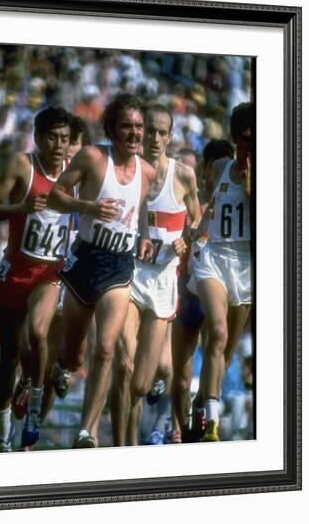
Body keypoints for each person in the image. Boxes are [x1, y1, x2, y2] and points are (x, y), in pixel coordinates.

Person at [47, 93, 156, 448]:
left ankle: (86, 430)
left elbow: (139, 215)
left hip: (120, 265)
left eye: (139, 126)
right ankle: (59, 366)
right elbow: (54, 197)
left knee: (107, 348)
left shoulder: (147, 172)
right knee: (74, 353)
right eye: (127, 126)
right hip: (86, 259)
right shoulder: (93, 157)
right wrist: (89, 206)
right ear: (112, 128)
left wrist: (143, 238)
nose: (135, 133)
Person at [111, 103, 200, 446]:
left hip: (163, 280)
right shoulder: (126, 171)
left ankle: (154, 396)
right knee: (123, 364)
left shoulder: (183, 175)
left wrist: (184, 240)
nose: (155, 138)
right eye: (150, 130)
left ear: (170, 136)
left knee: (140, 385)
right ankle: (121, 448)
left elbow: (195, 217)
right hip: (130, 273)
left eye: (162, 132)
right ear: (140, 130)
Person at [0, 106, 72, 451]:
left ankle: (36, 402)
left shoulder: (77, 174)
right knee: (9, 354)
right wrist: (20, 209)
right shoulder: (21, 166)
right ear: (39, 139)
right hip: (15, 270)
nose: (59, 145)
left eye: (65, 139)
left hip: (50, 273)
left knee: (39, 332)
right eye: (52, 138)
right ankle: (1, 431)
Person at [190, 102, 254, 442]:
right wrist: (195, 229)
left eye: (256, 139)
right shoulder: (219, 167)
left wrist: (249, 186)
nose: (249, 146)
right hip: (214, 256)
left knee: (226, 354)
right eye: (244, 138)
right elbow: (208, 204)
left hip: (246, 264)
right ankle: (212, 425)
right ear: (234, 138)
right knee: (216, 332)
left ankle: (201, 407)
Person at [170, 139, 234, 442]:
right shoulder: (189, 204)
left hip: (217, 296)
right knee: (181, 382)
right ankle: (178, 429)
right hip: (187, 295)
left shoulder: (235, 207)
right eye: (218, 168)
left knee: (219, 357)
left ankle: (201, 420)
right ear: (208, 170)